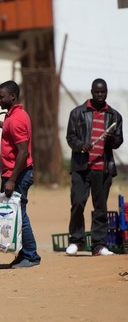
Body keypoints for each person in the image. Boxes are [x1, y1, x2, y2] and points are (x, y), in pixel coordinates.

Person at [65, 78, 123, 256]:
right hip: (81, 168)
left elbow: (119, 141)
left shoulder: (114, 116)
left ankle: (99, 245)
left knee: (100, 207)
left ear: (106, 92)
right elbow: (70, 137)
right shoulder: (78, 113)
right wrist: (81, 145)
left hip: (103, 168)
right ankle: (76, 241)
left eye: (103, 92)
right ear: (91, 92)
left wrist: (112, 139)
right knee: (77, 204)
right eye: (97, 92)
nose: (100, 95)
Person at [0, 80, 41, 268]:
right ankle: (24, 254)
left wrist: (12, 180)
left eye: (1, 97)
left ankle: (31, 256)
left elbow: (23, 152)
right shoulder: (14, 116)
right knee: (15, 215)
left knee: (19, 214)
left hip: (18, 175)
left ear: (13, 96)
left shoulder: (15, 119)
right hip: (14, 173)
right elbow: (9, 129)